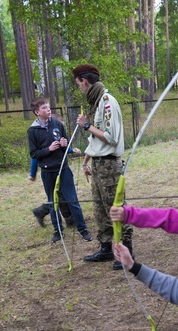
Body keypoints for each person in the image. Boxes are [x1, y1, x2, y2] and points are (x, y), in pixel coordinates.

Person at [72, 64, 133, 270]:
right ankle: (106, 247)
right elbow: (96, 141)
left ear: (85, 81)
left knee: (115, 207)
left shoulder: (107, 102)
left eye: (78, 84)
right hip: (98, 164)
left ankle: (126, 250)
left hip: (109, 165)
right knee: (99, 209)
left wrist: (87, 125)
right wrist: (87, 159)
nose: (79, 88)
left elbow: (110, 138)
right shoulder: (96, 103)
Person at [27, 97, 92, 244]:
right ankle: (58, 232)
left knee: (72, 200)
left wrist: (64, 144)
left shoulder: (57, 125)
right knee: (53, 203)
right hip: (47, 172)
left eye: (48, 107)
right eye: (44, 108)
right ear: (37, 112)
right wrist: (48, 149)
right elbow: (34, 154)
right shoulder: (33, 131)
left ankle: (83, 230)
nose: (48, 109)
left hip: (63, 169)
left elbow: (66, 143)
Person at [30, 151, 80, 228]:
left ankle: (41, 212)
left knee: (60, 195)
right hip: (51, 170)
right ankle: (69, 219)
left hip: (59, 167)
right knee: (60, 195)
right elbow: (35, 155)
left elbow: (59, 146)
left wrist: (70, 149)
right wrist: (33, 173)